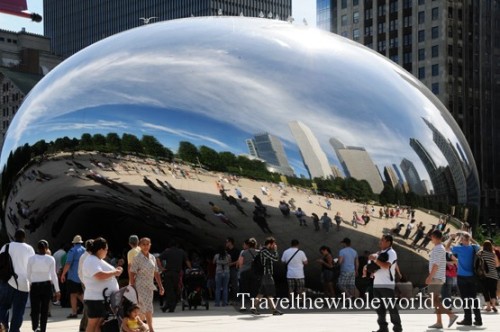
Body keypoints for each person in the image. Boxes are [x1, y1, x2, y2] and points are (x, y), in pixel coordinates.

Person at [82, 237, 122, 332]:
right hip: (96, 298)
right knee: (93, 323)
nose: (107, 252)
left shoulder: (97, 260)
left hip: (101, 298)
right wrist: (114, 273)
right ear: (100, 250)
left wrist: (116, 270)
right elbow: (98, 275)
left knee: (99, 324)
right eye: (106, 250)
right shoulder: (91, 260)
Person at [0, 229, 35, 332]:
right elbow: (32, 266)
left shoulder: (6, 246)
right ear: (24, 237)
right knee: (18, 310)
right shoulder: (29, 248)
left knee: (3, 307)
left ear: (14, 237)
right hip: (23, 284)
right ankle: (14, 330)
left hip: (7, 282)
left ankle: (3, 327)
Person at [446, 232, 482, 326]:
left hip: (462, 277)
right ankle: (478, 320)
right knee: (473, 299)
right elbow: (479, 245)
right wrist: (471, 238)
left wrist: (451, 238)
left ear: (462, 240)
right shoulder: (474, 247)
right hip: (472, 277)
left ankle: (468, 319)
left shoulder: (459, 248)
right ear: (469, 239)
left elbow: (447, 248)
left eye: (461, 239)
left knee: (465, 299)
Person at [369, 234, 402, 332]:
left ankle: (397, 329)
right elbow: (374, 265)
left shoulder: (392, 252)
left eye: (382, 240)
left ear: (388, 242)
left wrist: (375, 259)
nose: (380, 242)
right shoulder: (379, 252)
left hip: (386, 284)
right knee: (380, 309)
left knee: (391, 308)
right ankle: (383, 328)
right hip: (377, 284)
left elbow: (386, 266)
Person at [130, 237, 164, 332]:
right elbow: (132, 272)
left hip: (149, 286)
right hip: (140, 285)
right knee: (147, 307)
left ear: (150, 245)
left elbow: (156, 272)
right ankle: (151, 328)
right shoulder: (137, 258)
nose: (145, 246)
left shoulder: (152, 257)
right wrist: (132, 286)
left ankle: (140, 327)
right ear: (139, 246)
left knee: (142, 308)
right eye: (143, 244)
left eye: (147, 244)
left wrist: (160, 286)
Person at [426, 230, 458, 329]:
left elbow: (436, 265)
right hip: (437, 277)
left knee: (433, 300)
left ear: (435, 237)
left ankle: (451, 315)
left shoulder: (439, 248)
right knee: (435, 300)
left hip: (436, 277)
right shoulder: (439, 248)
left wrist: (430, 277)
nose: (431, 239)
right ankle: (439, 322)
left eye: (431, 237)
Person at [27, 240, 61, 332]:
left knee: (35, 309)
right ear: (46, 248)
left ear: (37, 248)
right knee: (44, 310)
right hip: (46, 286)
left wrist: (30, 283)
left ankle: (35, 328)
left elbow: (28, 274)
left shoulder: (31, 259)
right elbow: (53, 275)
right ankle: (43, 329)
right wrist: (57, 290)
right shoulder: (50, 259)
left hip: (35, 286)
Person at [251, 237, 282, 316]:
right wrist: (275, 250)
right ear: (270, 244)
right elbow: (275, 258)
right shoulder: (265, 251)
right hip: (266, 274)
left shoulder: (265, 251)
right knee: (270, 292)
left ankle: (253, 307)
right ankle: (274, 310)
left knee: (261, 293)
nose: (274, 245)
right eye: (273, 244)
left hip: (265, 275)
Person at [159, 240, 191, 313]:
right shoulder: (181, 252)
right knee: (175, 290)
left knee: (169, 290)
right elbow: (187, 261)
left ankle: (168, 306)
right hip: (177, 274)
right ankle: (170, 307)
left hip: (168, 273)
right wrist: (190, 268)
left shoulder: (167, 251)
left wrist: (161, 267)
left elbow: (158, 259)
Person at [61, 235, 86, 319]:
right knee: (80, 293)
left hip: (73, 277)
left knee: (73, 295)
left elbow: (68, 263)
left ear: (74, 243)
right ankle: (88, 307)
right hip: (82, 277)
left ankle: (74, 312)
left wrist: (63, 274)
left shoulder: (72, 250)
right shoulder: (85, 250)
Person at [478, 240, 499, 312]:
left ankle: (488, 306)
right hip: (494, 275)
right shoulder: (493, 254)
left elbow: (477, 261)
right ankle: (493, 305)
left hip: (484, 275)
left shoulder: (481, 253)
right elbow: (497, 265)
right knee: (493, 290)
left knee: (485, 291)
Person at [238, 238, 259, 303]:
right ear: (255, 245)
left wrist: (242, 270)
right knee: (253, 289)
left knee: (243, 289)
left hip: (244, 272)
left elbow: (240, 263)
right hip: (254, 273)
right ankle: (253, 304)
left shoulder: (244, 252)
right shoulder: (258, 252)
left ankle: (243, 304)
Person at [225, 237, 239, 304]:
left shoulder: (236, 250)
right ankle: (226, 300)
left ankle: (235, 300)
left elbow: (239, 260)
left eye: (227, 242)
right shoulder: (226, 251)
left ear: (230, 242)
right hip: (226, 269)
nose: (226, 243)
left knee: (234, 285)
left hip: (233, 269)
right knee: (226, 285)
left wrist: (231, 264)